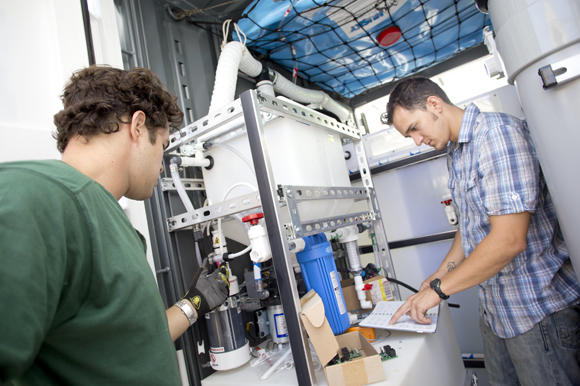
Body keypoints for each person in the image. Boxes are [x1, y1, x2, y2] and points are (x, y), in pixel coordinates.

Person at [0, 66, 230, 385]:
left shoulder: (101, 214)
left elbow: (127, 345)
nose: (162, 164)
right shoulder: (32, 197)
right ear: (137, 126)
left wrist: (194, 303)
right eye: (162, 145)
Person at [386, 77, 580, 385]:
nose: (417, 140)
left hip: (536, 311)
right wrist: (440, 274)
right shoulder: (456, 152)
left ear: (434, 105)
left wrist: (439, 291)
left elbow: (509, 240)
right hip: (496, 312)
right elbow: (470, 224)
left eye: (414, 128)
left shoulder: (497, 136)